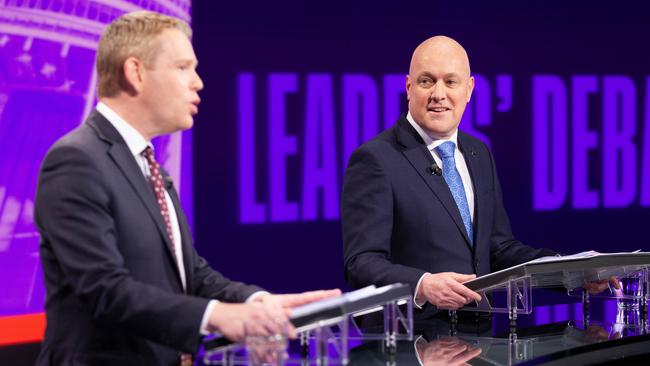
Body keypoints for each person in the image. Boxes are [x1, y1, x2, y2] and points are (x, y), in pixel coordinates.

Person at [34, 11, 338, 365]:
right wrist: (218, 316)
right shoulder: (76, 160)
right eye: (183, 67)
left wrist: (256, 303)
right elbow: (104, 288)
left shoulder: (148, 163)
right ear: (135, 73)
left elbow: (189, 273)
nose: (198, 83)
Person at [342, 35, 602, 321]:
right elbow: (361, 262)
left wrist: (571, 274)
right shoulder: (377, 159)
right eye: (427, 81)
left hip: (476, 338)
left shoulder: (478, 153)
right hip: (412, 341)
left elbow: (499, 249)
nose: (438, 94)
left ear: (469, 89)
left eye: (450, 82)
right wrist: (423, 285)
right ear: (408, 87)